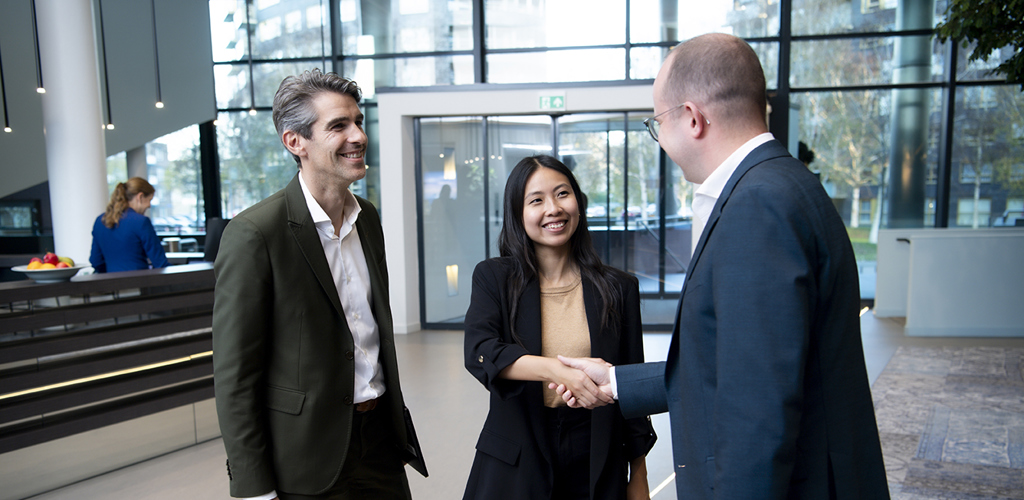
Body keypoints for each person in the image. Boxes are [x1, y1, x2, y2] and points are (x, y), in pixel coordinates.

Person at [553, 33, 890, 498]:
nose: (661, 140)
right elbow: (734, 363)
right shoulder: (785, 184)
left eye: (658, 123)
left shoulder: (756, 207)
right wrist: (616, 381)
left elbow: (756, 411)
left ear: (691, 118)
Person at [212, 69, 423, 500]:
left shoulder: (368, 218)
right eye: (338, 126)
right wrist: (253, 486)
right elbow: (235, 375)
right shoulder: (255, 233)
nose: (358, 136)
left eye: (359, 122)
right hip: (307, 456)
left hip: (380, 442)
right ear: (296, 142)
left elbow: (370, 333)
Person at [463, 155, 656, 500]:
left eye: (562, 194)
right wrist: (556, 370)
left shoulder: (618, 286)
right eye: (536, 200)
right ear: (518, 214)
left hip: (596, 450)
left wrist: (638, 474)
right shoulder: (494, 277)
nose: (553, 208)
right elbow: (481, 351)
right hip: (518, 453)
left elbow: (632, 384)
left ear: (578, 203)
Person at [89, 177, 169, 273]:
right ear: (140, 197)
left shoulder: (100, 221)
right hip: (138, 284)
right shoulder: (141, 222)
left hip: (110, 285)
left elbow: (96, 261)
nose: (149, 205)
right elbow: (160, 263)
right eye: (149, 200)